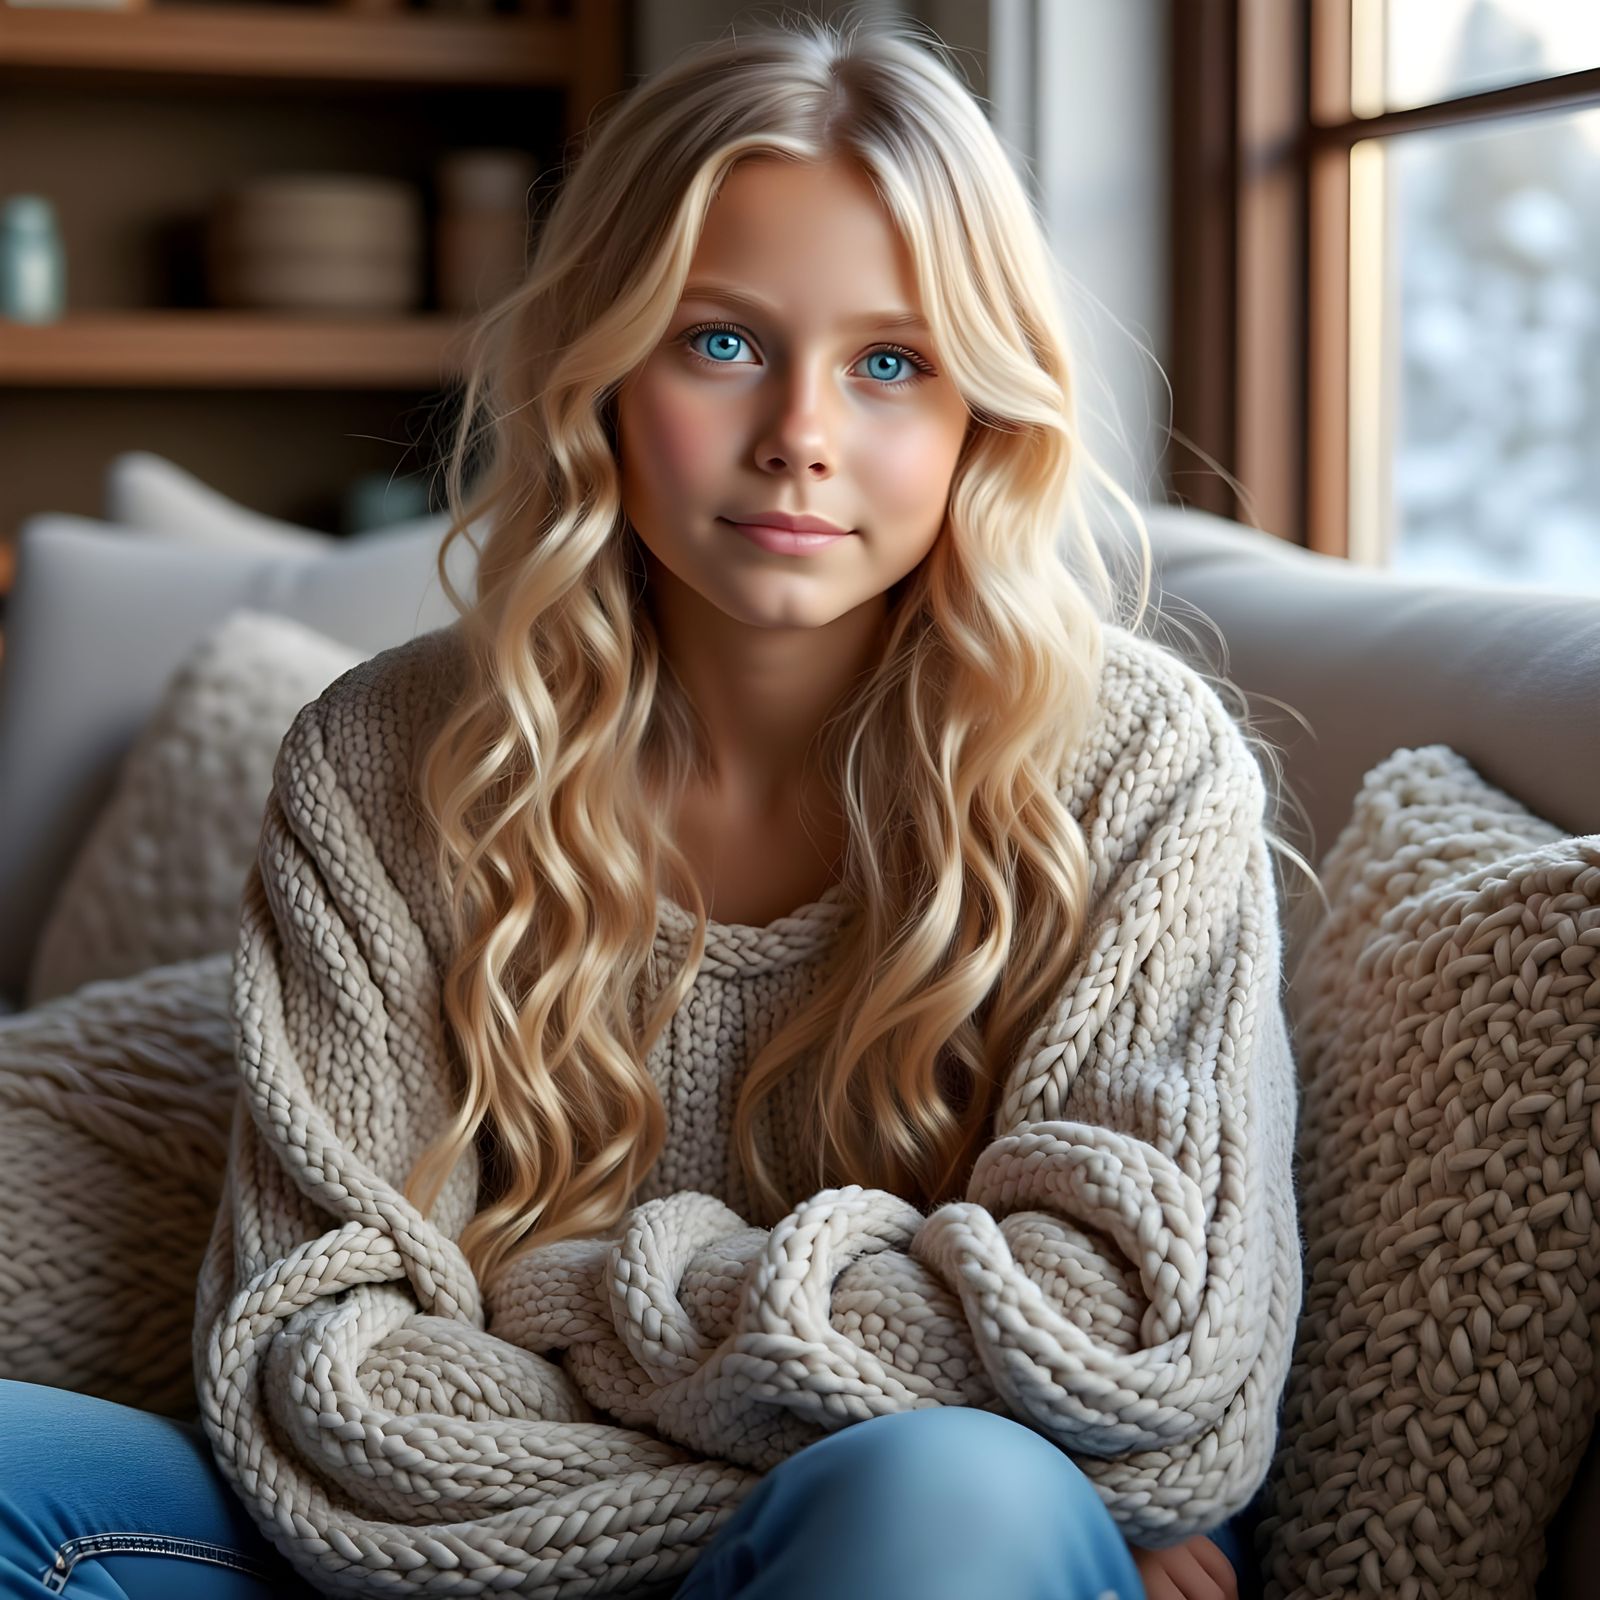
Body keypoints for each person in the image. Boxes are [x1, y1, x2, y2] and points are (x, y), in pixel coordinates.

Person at [1, 8, 1314, 1598]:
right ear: (605, 370)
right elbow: (323, 1379)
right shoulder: (378, 763)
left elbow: (1125, 1335)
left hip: (861, 1538)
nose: (801, 439)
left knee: (946, 1496)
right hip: (433, 1553)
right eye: (724, 344)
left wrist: (550, 1300)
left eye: (891, 363)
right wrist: (849, 1435)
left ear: (982, 409)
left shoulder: (1134, 765)